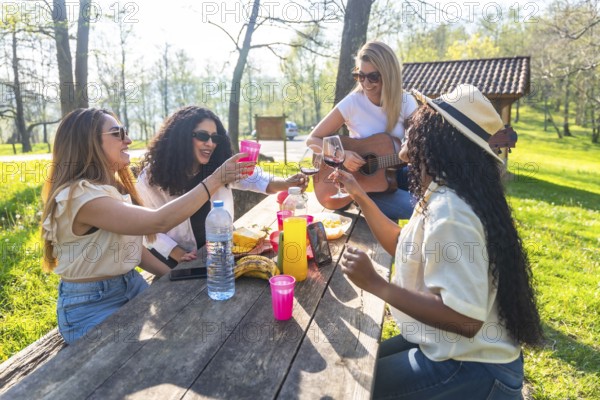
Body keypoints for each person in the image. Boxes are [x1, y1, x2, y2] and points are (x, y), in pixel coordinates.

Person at [334, 84, 543, 399]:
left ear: (438, 139)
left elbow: (467, 319)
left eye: (420, 120)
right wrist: (360, 195)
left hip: (475, 367)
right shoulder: (442, 192)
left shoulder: (452, 212)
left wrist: (377, 284)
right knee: (351, 363)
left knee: (350, 387)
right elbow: (404, 246)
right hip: (450, 345)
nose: (409, 124)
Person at [41, 108, 254, 344]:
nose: (128, 140)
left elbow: (132, 248)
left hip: (131, 284)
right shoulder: (80, 197)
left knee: (190, 332)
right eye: (117, 133)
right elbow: (158, 221)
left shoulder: (107, 189)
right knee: (148, 360)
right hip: (91, 304)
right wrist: (215, 179)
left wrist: (175, 276)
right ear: (88, 142)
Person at [136, 106, 307, 268]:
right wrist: (176, 252)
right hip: (180, 263)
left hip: (223, 254)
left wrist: (286, 183)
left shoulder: (218, 165)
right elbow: (145, 227)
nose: (210, 143)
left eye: (215, 138)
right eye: (203, 136)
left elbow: (257, 179)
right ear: (181, 137)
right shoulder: (151, 178)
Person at [306, 40, 418, 220]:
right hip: (364, 185)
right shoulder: (352, 102)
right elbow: (312, 139)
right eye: (360, 76)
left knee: (441, 198)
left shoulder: (406, 101)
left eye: (373, 77)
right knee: (417, 211)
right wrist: (342, 155)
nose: (366, 83)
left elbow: (420, 143)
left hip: (397, 173)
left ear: (388, 75)